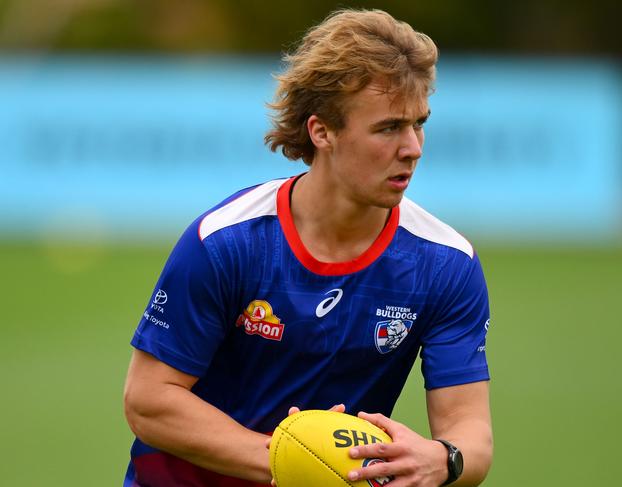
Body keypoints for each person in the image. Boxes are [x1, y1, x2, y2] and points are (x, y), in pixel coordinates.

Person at [123, 8, 493, 487]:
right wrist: (292, 461)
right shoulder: (227, 242)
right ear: (322, 132)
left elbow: (472, 433)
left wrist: (443, 460)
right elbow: (149, 401)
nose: (413, 147)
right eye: (388, 128)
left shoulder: (445, 264)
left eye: (418, 123)